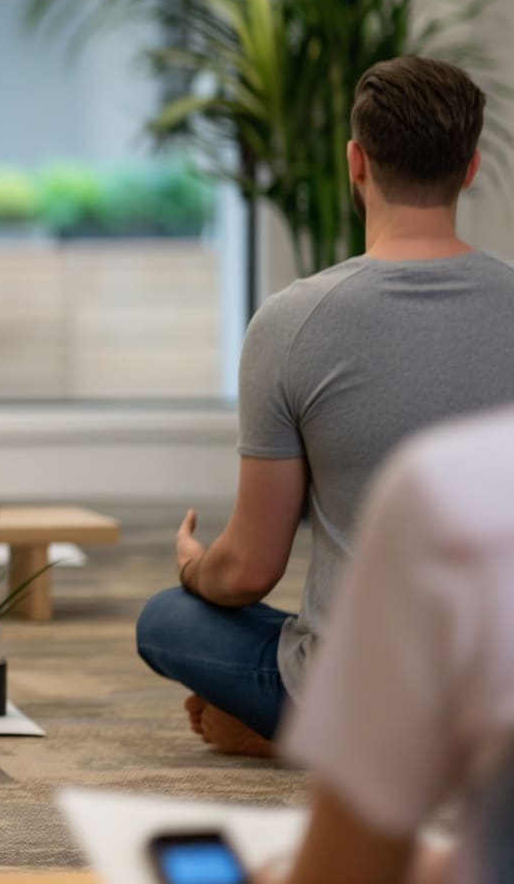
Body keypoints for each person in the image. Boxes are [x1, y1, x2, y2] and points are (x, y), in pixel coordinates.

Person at [136, 57, 514, 757]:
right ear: (469, 167)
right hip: (497, 686)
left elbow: (249, 569)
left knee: (165, 619)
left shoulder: (292, 322)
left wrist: (193, 565)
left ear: (355, 162)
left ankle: (302, 732)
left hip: (362, 690)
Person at [273, 407, 514, 884]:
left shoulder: (455, 490)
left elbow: (245, 572)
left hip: (359, 655)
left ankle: (301, 724)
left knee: (175, 621)